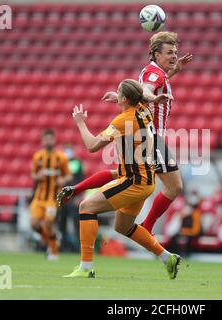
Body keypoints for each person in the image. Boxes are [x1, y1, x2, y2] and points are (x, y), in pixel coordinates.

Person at [59, 32, 193, 235]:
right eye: (169, 53)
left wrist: (174, 71)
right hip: (150, 138)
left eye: (175, 52)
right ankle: (147, 226)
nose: (174, 56)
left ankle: (76, 189)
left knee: (124, 176)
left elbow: (146, 88)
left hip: (139, 135)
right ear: (156, 55)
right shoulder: (154, 74)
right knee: (174, 187)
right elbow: (148, 90)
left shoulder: (154, 71)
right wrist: (154, 100)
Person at [59, 79, 181, 279]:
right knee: (122, 227)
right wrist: (119, 98)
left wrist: (80, 122)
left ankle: (86, 266)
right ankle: (168, 258)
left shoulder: (122, 121)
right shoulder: (144, 110)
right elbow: (140, 98)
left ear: (125, 98)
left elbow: (91, 146)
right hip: (146, 179)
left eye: (118, 92)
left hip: (134, 181)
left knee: (86, 208)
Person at [30, 129, 73, 260]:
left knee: (48, 224)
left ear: (54, 140)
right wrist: (38, 176)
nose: (48, 141)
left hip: (52, 198)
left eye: (50, 139)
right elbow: (33, 174)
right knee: (34, 224)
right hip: (39, 197)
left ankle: (54, 251)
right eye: (46, 139)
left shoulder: (62, 157)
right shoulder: (38, 157)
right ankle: (50, 240)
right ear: (43, 141)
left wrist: (63, 180)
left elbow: (69, 176)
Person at [58, 143, 85, 252]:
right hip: (63, 198)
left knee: (75, 223)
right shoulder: (61, 164)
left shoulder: (76, 164)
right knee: (62, 223)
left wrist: (79, 197)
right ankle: (63, 245)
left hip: (73, 198)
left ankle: (78, 246)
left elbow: (80, 180)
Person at [169, 190, 202, 258]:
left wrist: (187, 232)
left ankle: (187, 254)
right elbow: (181, 222)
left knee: (189, 239)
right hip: (186, 231)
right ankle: (177, 254)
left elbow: (196, 229)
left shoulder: (197, 213)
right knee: (173, 238)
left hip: (193, 232)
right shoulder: (185, 211)